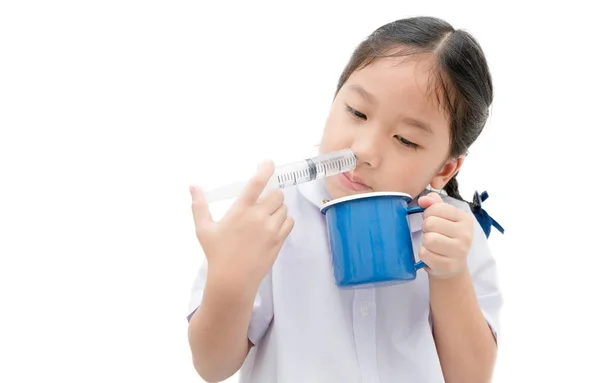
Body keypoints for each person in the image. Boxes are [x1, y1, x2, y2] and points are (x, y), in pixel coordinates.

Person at [186, 16, 503, 383]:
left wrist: (451, 276)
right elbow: (212, 366)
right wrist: (229, 279)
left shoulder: (455, 234)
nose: (363, 150)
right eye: (356, 112)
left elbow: (471, 378)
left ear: (445, 169)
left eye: (405, 140)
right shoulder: (270, 219)